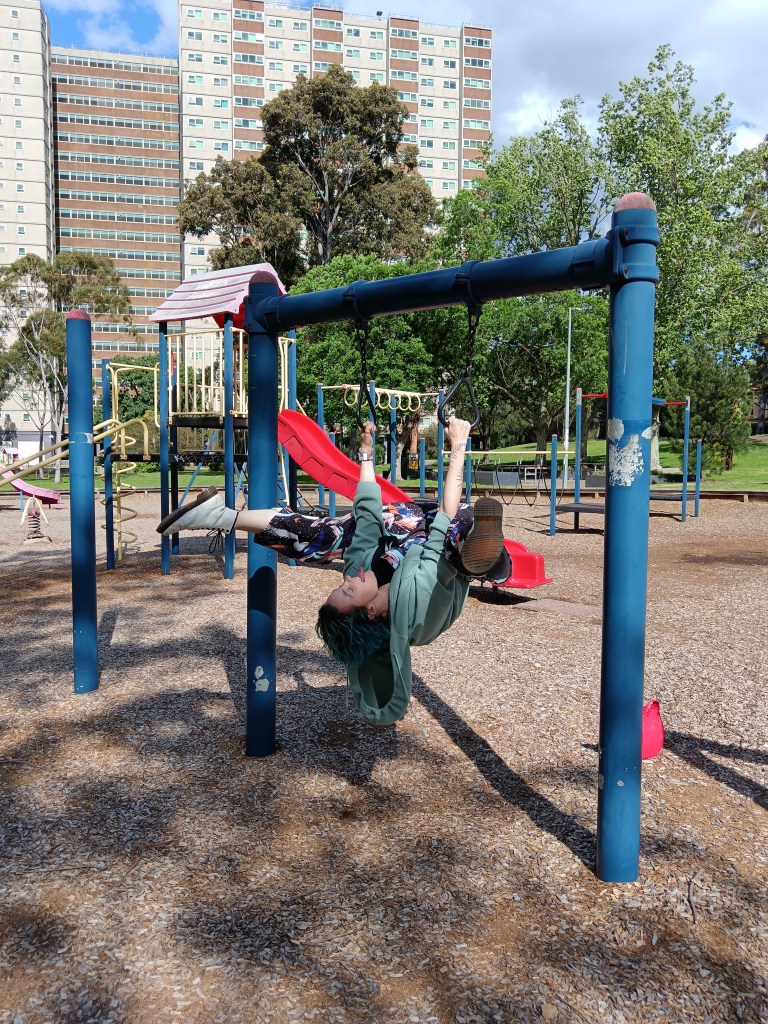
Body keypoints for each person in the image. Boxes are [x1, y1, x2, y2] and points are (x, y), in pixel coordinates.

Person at [157, 417, 509, 725]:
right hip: (439, 569)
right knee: (457, 530)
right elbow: (446, 512)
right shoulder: (414, 600)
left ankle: (221, 516)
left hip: (408, 531)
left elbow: (369, 513)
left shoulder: (360, 573)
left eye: (344, 586)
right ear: (371, 611)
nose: (349, 578)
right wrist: (459, 447)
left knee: (327, 536)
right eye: (349, 590)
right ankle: (489, 558)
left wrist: (366, 452)